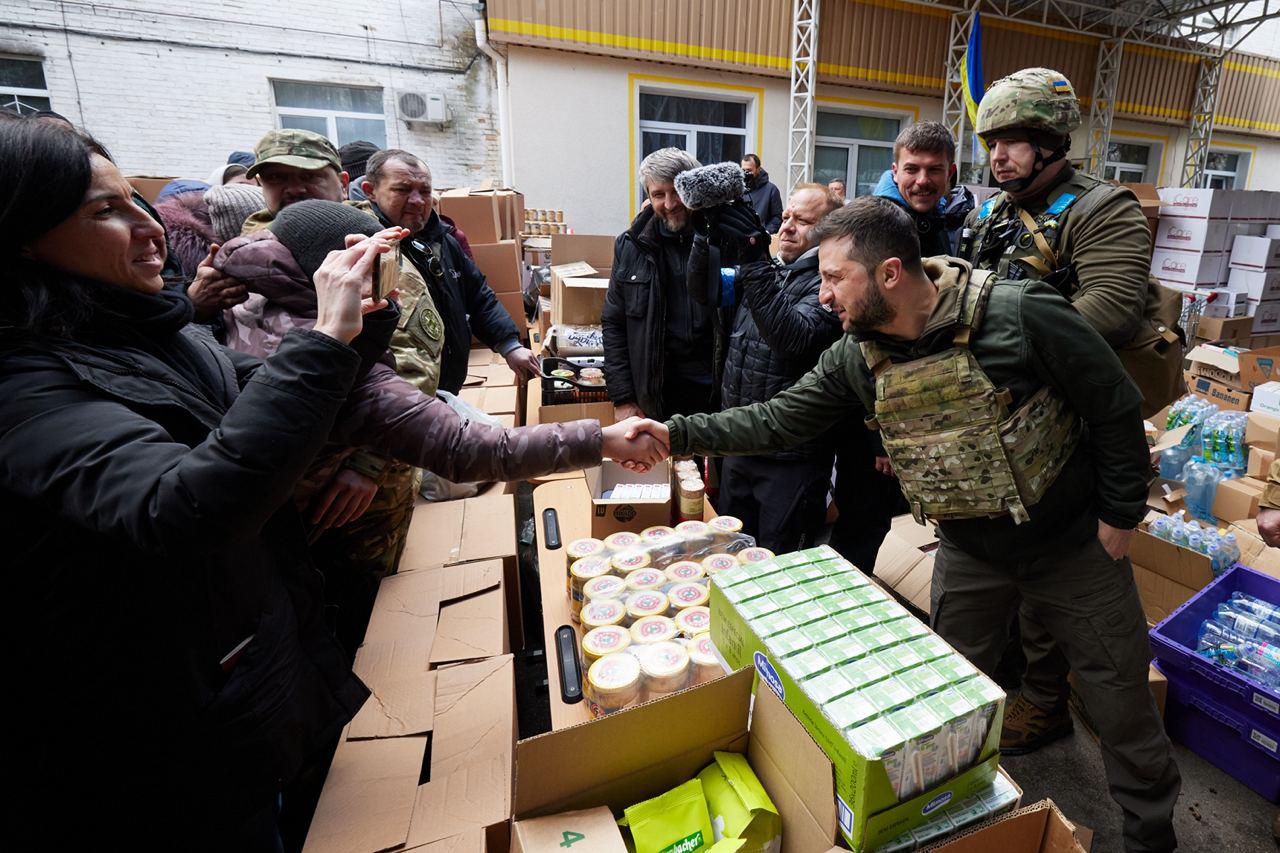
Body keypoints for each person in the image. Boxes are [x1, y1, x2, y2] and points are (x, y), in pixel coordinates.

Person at [632, 197, 1181, 853]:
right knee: (940, 703)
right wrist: (673, 433)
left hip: (1071, 547)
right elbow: (778, 419)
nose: (823, 292)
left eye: (834, 277)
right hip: (971, 551)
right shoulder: (859, 355)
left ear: (889, 273)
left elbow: (1113, 401)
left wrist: (1121, 512)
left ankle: (1152, 836)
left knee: (1120, 701)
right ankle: (945, 825)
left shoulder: (1020, 314)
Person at [0, 118, 390, 848]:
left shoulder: (155, 330)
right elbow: (186, 506)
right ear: (22, 236)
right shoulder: (24, 384)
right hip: (150, 747)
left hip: (234, 685)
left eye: (135, 200)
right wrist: (326, 341)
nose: (148, 228)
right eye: (103, 211)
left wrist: (357, 332)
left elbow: (271, 401)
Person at [216, 198, 666, 650]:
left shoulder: (236, 300)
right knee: (343, 623)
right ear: (341, 272)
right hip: (287, 546)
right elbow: (469, 448)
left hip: (256, 551)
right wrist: (603, 439)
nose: (396, 289)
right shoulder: (324, 355)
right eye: (385, 270)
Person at [961, 67, 1185, 758]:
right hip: (1006, 426)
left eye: (1013, 140)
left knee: (1065, 578)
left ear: (1052, 139)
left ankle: (1056, 698)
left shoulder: (1102, 207)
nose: (997, 155)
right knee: (1013, 570)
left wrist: (1008, 358)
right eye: (991, 141)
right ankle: (1035, 690)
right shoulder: (993, 213)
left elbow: (1112, 307)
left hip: (1077, 425)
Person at [693, 182, 843, 551]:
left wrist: (755, 260)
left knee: (777, 562)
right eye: (786, 216)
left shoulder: (829, 285)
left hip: (790, 459)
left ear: (830, 231)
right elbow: (706, 291)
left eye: (803, 220)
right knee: (731, 552)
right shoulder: (769, 270)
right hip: (741, 444)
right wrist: (703, 238)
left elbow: (794, 340)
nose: (787, 226)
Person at [358, 148, 539, 394]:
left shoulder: (443, 239)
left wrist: (510, 345)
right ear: (371, 191)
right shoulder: (365, 248)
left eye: (424, 191)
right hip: (399, 398)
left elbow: (477, 294)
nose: (417, 201)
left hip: (446, 386)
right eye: (402, 190)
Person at [604, 147, 726, 423]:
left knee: (709, 467)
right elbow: (614, 323)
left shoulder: (723, 239)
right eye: (659, 195)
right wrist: (623, 398)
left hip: (717, 392)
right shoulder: (631, 245)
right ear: (648, 196)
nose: (670, 204)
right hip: (658, 393)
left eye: (677, 192)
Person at [874, 121, 974, 257]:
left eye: (934, 170)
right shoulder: (870, 225)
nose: (922, 181)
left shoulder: (939, 217)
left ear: (950, 173)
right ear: (895, 172)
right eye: (911, 169)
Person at [741, 153, 783, 233]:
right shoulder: (738, 189)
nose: (745, 173)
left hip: (761, 240)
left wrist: (765, 232)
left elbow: (777, 217)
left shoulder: (771, 190)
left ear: (758, 169)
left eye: (749, 170)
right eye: (743, 170)